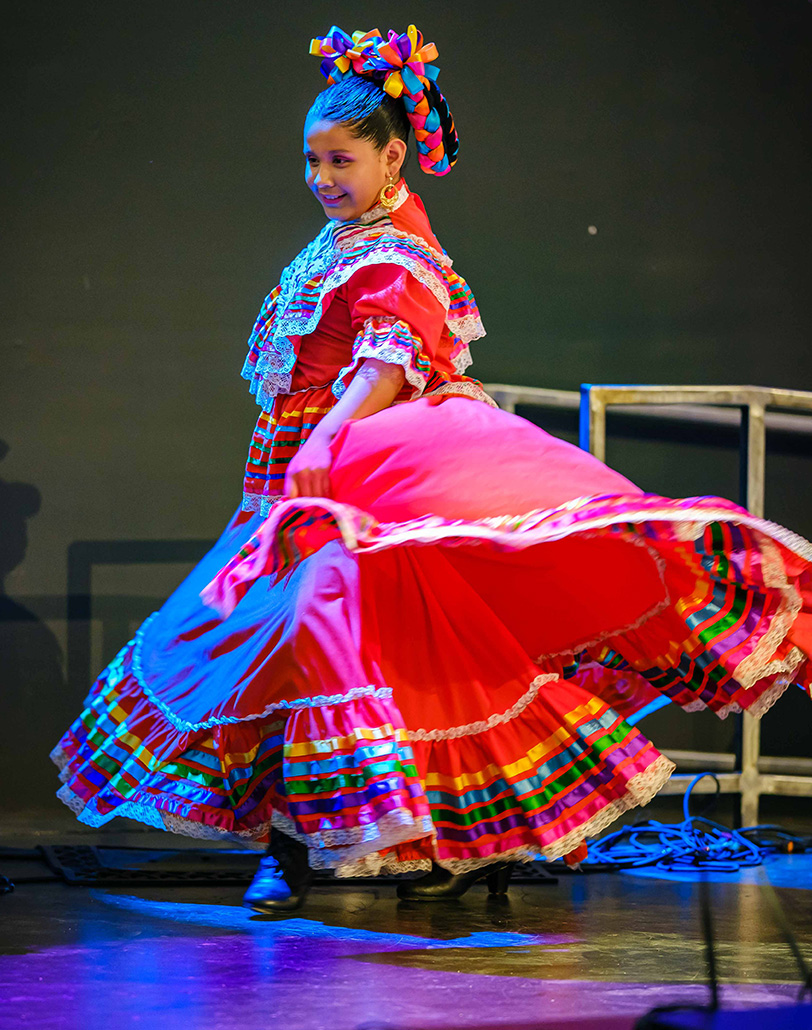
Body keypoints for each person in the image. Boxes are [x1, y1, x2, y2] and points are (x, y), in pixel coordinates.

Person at [52, 25, 812, 914]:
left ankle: (298, 858)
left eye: (340, 160)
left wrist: (324, 444)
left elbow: (385, 365)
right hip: (294, 481)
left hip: (348, 486)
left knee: (320, 653)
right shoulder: (340, 243)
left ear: (392, 157)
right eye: (312, 161)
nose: (322, 178)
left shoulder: (397, 252)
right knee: (277, 658)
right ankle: (356, 847)